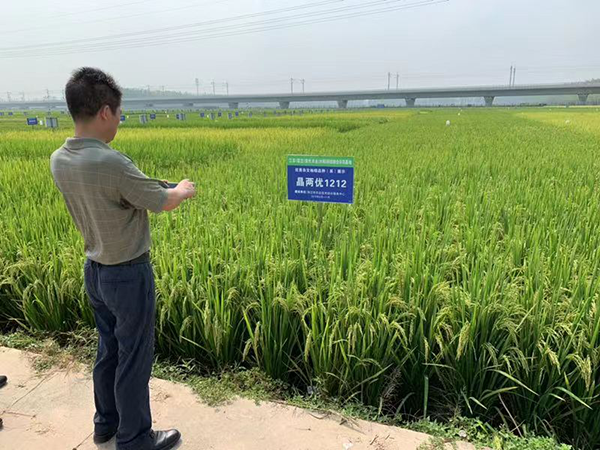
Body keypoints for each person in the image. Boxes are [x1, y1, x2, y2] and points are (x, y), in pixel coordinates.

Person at [50, 67, 196, 450]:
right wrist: (182, 189)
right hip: (128, 275)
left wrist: (151, 186)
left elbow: (125, 191)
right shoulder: (112, 163)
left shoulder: (59, 159)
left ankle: (106, 424)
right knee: (134, 358)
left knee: (109, 350)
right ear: (104, 112)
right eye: (118, 113)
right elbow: (163, 201)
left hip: (95, 271)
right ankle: (134, 439)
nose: (118, 121)